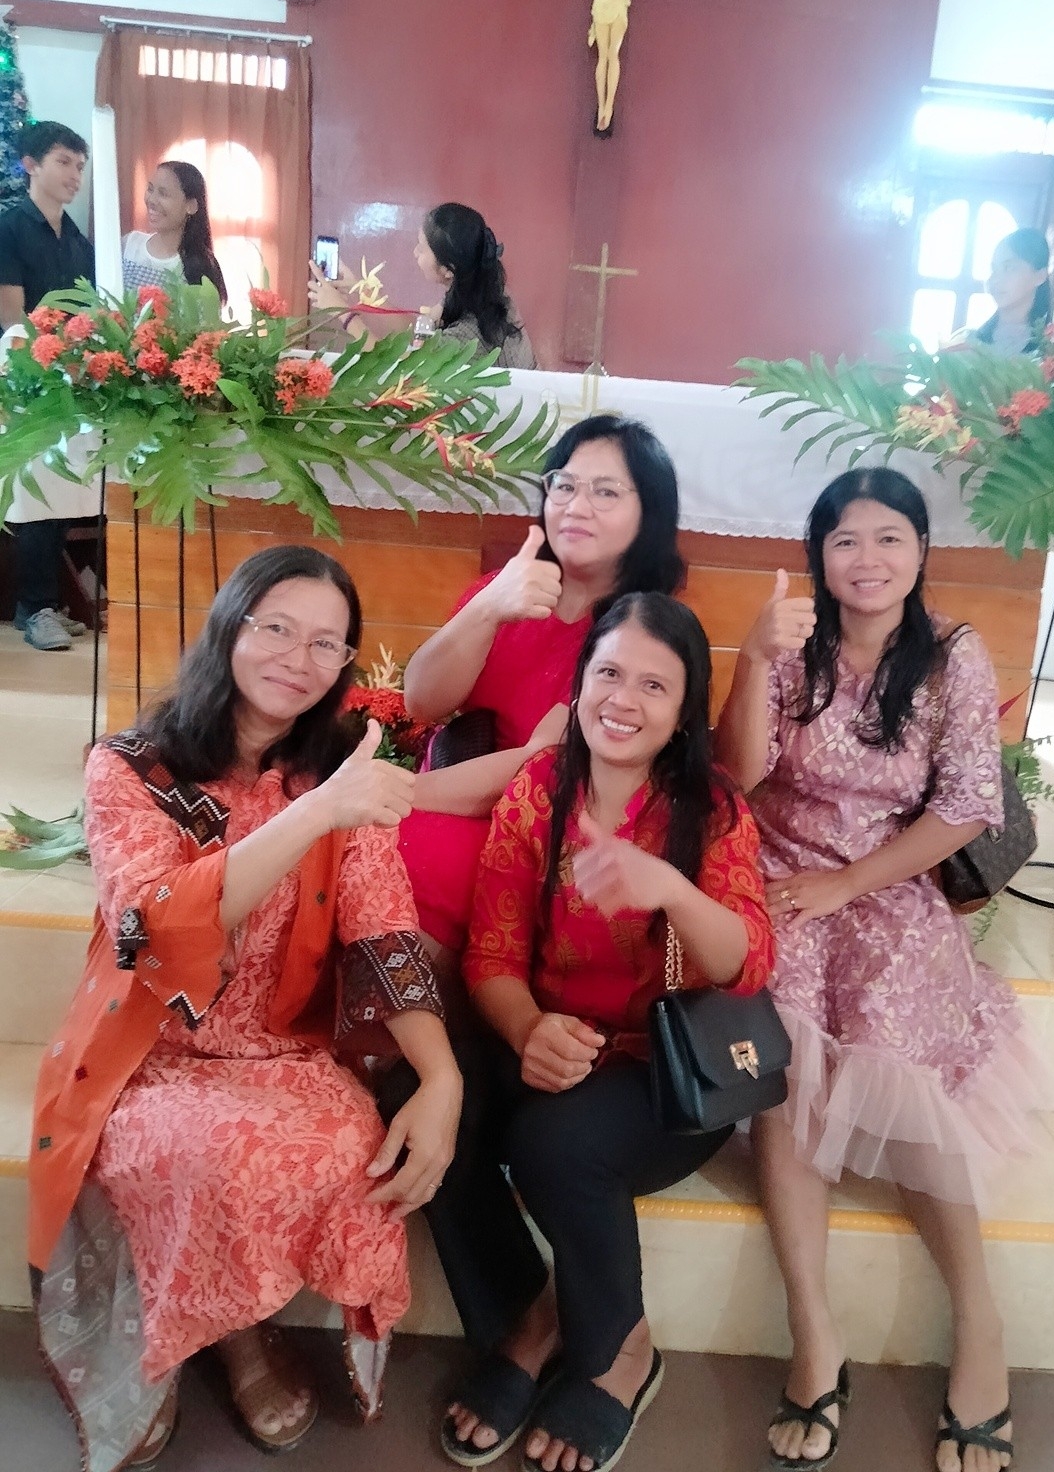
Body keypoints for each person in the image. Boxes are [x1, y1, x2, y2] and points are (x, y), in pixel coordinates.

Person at [27, 545, 463, 1470]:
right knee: (202, 1153)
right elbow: (153, 927)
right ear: (229, 626)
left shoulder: (337, 771)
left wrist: (442, 1077)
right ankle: (225, 1341)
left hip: (281, 1051)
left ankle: (223, 1325)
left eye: (326, 644)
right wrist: (317, 813)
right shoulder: (130, 768)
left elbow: (384, 931)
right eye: (277, 629)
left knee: (345, 1144)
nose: (299, 660)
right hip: (149, 1052)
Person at [715, 468, 1047, 1472]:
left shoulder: (951, 655)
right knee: (783, 1057)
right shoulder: (791, 643)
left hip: (890, 878)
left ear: (920, 551)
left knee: (895, 1038)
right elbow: (739, 775)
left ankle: (979, 1325)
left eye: (889, 537)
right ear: (819, 555)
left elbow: (968, 806)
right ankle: (815, 1337)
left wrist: (852, 882)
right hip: (780, 873)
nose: (868, 559)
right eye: (846, 540)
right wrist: (750, 663)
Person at [425, 591, 775, 1472]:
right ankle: (528, 1319)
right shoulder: (539, 789)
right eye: (609, 673)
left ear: (685, 711)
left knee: (556, 1143)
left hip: (670, 1076)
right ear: (580, 684)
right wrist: (527, 1027)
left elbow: (746, 964)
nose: (623, 699)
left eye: (654, 685)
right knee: (430, 1106)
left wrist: (670, 888)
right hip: (552, 1043)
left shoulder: (711, 808)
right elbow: (492, 954)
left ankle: (620, 1354)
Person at [397, 414, 685, 990]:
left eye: (606, 492)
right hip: (458, 787)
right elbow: (422, 701)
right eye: (565, 485)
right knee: (370, 849)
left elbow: (543, 766)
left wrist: (395, 794)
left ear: (648, 512)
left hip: (551, 824)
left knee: (404, 852)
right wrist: (486, 609)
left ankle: (440, 1025)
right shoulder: (508, 587)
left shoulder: (642, 631)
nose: (577, 506)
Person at [0, 119, 96, 650]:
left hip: (70, 378)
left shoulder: (78, 240)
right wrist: (49, 353)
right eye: (64, 162)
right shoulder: (10, 228)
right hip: (22, 376)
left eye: (80, 166)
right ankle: (35, 606)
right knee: (34, 488)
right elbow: (10, 315)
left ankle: (47, 603)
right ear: (31, 165)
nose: (75, 175)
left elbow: (89, 313)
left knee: (63, 483)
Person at [524, 0, 709, 133]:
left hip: (619, 4)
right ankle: (601, 105)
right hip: (602, 3)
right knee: (603, 56)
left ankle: (608, 107)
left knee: (613, 54)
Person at [309, 202, 536, 367]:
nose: (415, 253)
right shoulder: (480, 290)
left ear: (448, 269)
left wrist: (344, 314)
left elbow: (395, 366)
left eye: (421, 248)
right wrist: (361, 291)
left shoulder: (465, 338)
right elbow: (417, 328)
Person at [121, 158, 228, 305]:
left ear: (191, 206)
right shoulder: (129, 245)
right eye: (150, 189)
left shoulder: (200, 268)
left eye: (163, 194)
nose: (152, 200)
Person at [972, 228, 1051, 357]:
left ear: (1040, 276)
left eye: (1009, 268)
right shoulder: (971, 343)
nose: (995, 279)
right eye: (994, 269)